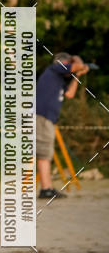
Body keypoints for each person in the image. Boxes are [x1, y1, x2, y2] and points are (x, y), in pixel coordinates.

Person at [36, 53, 88, 199]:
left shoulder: (57, 79)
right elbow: (77, 65)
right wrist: (77, 59)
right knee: (44, 153)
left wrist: (77, 75)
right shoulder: (54, 69)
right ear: (64, 63)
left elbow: (70, 94)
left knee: (46, 153)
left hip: (48, 119)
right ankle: (46, 189)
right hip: (42, 117)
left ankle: (47, 187)